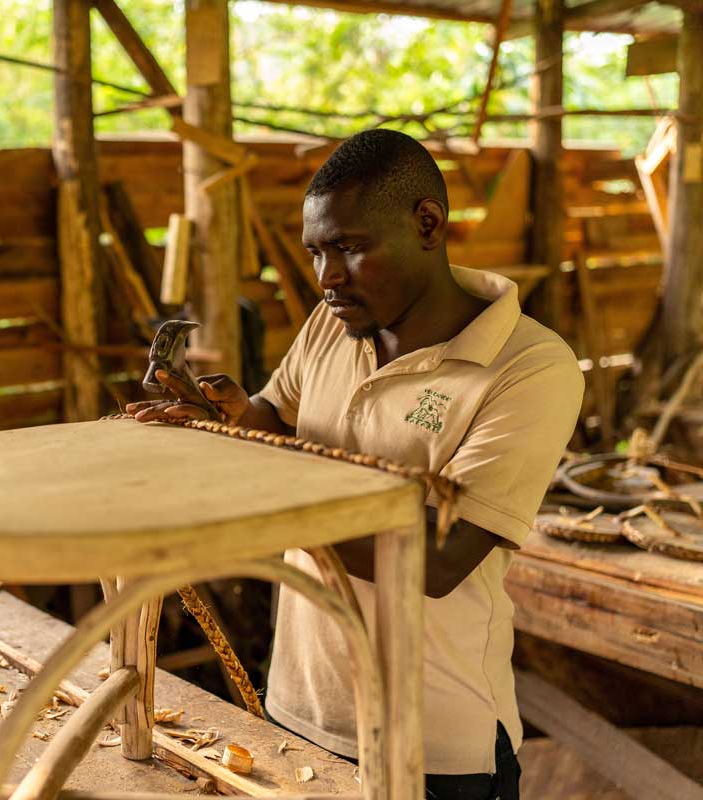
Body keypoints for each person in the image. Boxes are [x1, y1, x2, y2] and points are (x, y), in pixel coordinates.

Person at [127, 128, 583, 800]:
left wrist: (250, 476)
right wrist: (227, 423)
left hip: (433, 749)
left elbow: (437, 559)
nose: (327, 276)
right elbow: (276, 422)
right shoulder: (333, 324)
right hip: (299, 708)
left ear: (428, 224)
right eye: (316, 252)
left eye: (349, 247)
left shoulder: (530, 368)